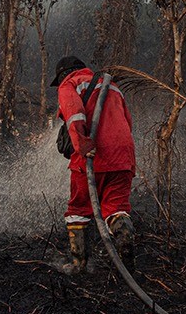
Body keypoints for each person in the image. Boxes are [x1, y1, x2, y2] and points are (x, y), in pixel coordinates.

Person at [52, 56, 137, 274]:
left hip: (92, 153)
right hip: (123, 156)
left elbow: (74, 115)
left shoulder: (69, 84)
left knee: (78, 209)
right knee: (116, 208)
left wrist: (82, 144)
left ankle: (79, 264)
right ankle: (125, 242)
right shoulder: (112, 86)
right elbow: (127, 122)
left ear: (63, 75)